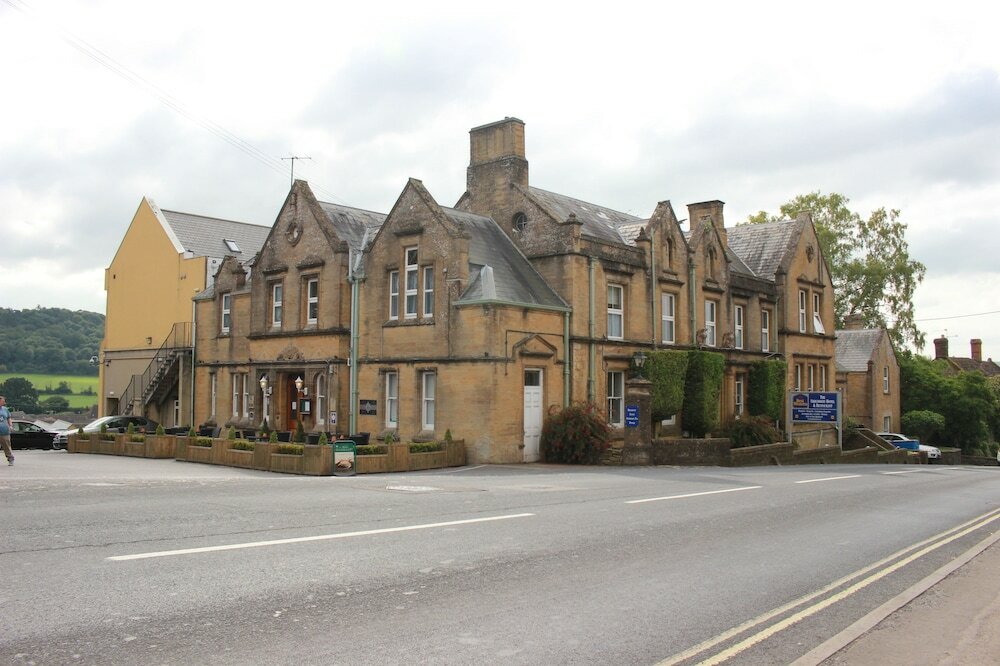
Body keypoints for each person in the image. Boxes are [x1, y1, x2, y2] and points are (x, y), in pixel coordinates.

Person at [0, 395, 13, 465]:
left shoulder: (5, 409)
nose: (4, 403)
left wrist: (10, 425)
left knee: (7, 446)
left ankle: (10, 458)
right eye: (3, 401)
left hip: (5, 432)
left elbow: (9, 418)